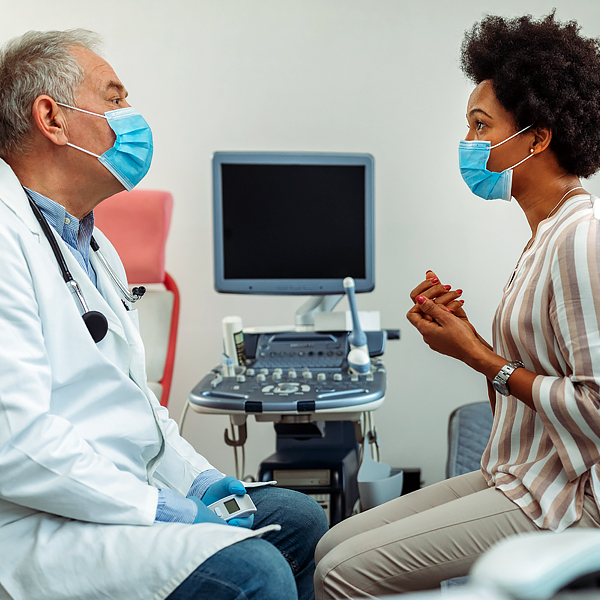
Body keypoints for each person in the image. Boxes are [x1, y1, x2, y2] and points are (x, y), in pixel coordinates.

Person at [0, 29, 328, 600]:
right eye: (114, 98)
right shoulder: (6, 238)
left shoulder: (93, 246)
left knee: (299, 521)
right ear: (51, 118)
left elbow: (137, 404)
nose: (131, 116)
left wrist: (197, 480)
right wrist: (157, 508)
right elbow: (15, 443)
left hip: (118, 489)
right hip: (41, 518)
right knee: (257, 571)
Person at [314, 12, 600, 598]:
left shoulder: (580, 238)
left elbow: (595, 404)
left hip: (570, 495)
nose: (469, 144)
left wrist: (481, 359)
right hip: (521, 470)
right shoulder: (546, 233)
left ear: (538, 137)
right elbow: (549, 369)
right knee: (326, 544)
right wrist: (464, 335)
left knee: (340, 574)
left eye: (480, 126)